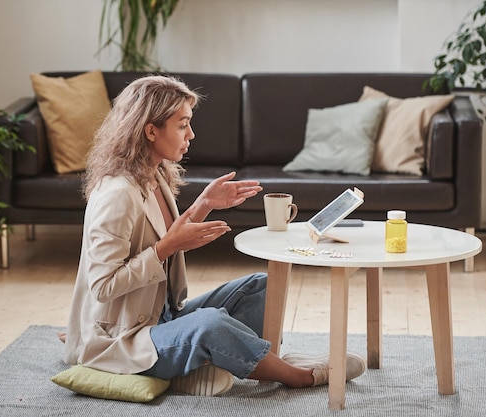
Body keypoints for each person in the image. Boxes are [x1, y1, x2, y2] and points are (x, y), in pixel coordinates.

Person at [63, 74, 366, 396]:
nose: (191, 134)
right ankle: (295, 374)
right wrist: (166, 248)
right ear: (151, 130)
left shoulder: (153, 176)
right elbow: (103, 286)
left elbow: (167, 237)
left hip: (159, 317)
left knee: (261, 286)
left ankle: (204, 363)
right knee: (210, 324)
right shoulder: (117, 194)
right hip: (120, 339)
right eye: (182, 125)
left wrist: (204, 204)